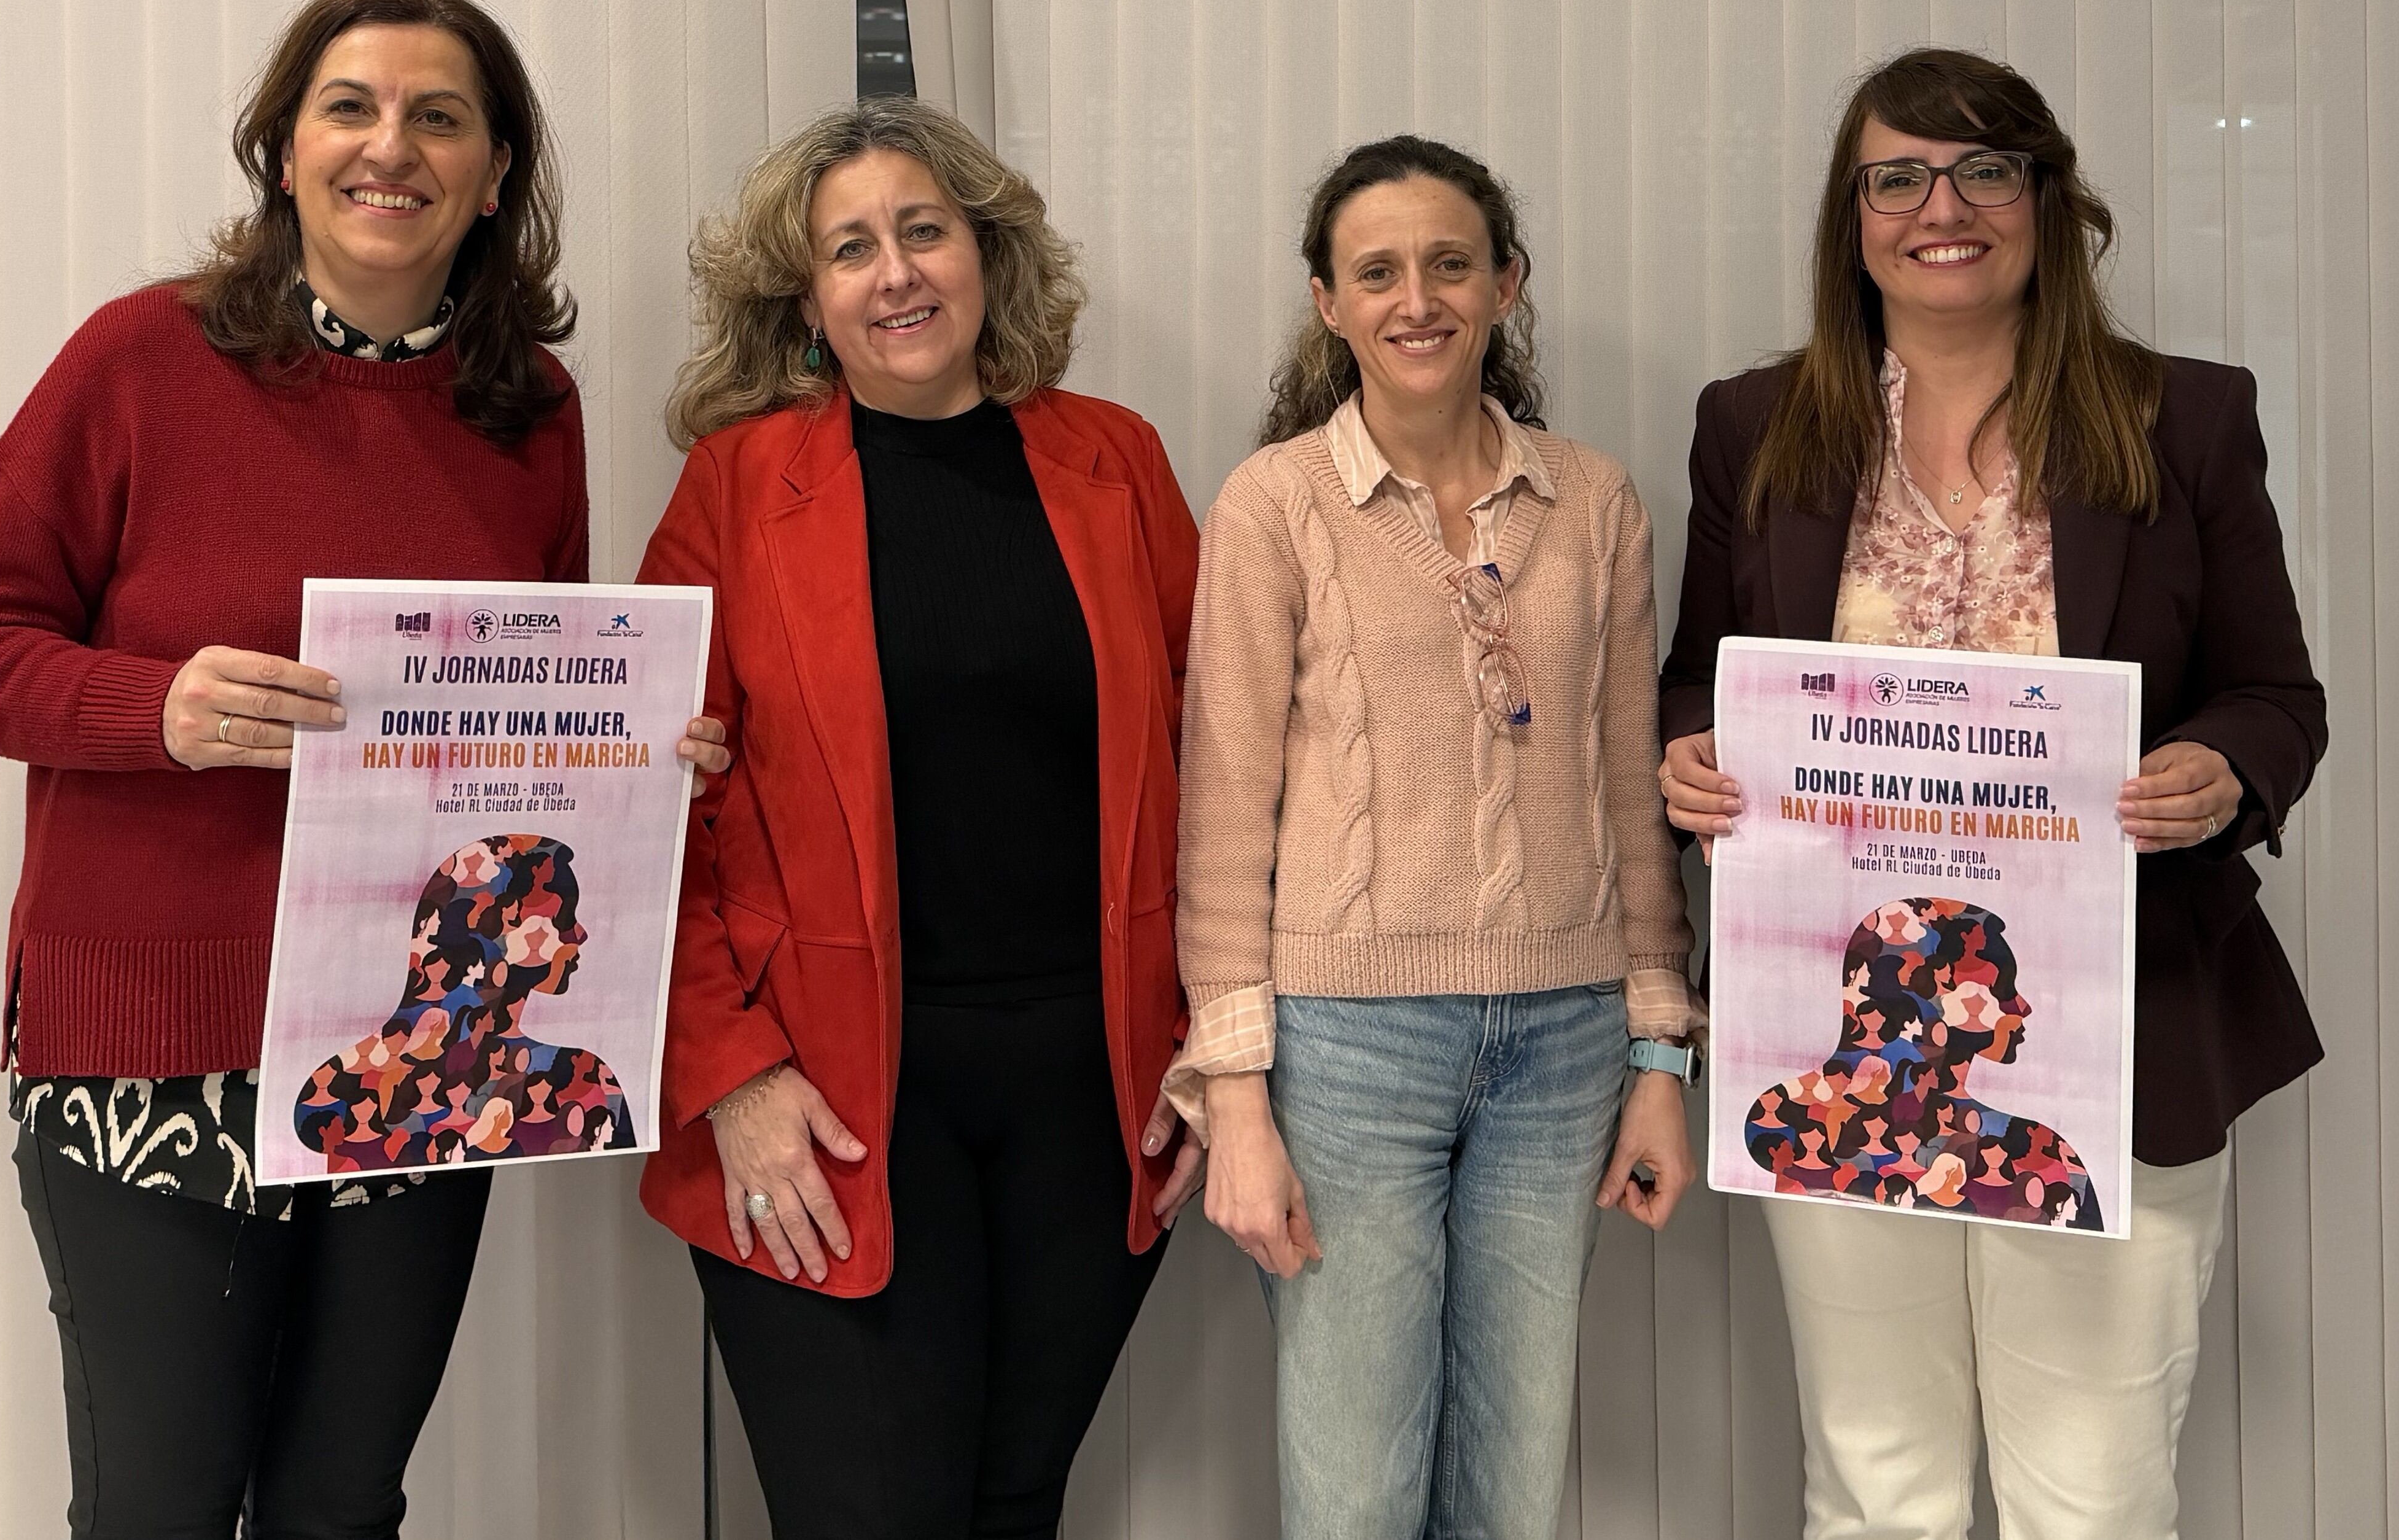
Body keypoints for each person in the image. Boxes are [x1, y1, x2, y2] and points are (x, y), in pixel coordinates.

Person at [0, 0, 716, 1538]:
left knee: (344, 1505)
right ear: (283, 149)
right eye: (349, 106)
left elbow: (515, 722)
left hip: (422, 1058)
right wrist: (156, 712)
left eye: (439, 117)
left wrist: (632, 748)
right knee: (160, 1506)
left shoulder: (528, 408)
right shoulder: (140, 362)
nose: (388, 147)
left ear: (494, 174)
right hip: (154, 1040)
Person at [1658, 46, 2326, 1539]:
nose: (1939, 207)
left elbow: (2278, 697)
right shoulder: (1757, 428)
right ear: (1852, 217)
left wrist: (2222, 771)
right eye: (1897, 175)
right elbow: (1696, 674)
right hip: (1840, 1044)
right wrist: (1693, 752)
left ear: (2044, 197)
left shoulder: (2183, 420)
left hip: (2113, 1031)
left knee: (2088, 1499)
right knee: (1874, 1482)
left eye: (1983, 170)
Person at [636, 96, 1205, 1540]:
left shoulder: (1117, 462)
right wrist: (728, 1074)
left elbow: (1225, 761)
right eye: (849, 248)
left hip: (1094, 1086)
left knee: (1013, 1500)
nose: (894, 272)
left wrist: (1223, 1043)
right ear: (806, 300)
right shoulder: (737, 489)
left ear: (985, 254)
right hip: (818, 1092)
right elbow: (647, 809)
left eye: (923, 230)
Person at [1168, 134, 1700, 1538]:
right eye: (1379, 271)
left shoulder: (1595, 503)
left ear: (1507, 284)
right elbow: (1222, 818)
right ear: (1329, 302)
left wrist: (1658, 1050)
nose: (1419, 298)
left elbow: (1630, 792)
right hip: (1347, 1046)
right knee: (1354, 1486)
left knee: (1512, 1486)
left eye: (1452, 264)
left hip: (1570, 1041)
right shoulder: (1274, 506)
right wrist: (1233, 1092)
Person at [1746, 895, 2102, 1231]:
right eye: (2003, 988)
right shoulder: (2044, 1154)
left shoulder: (1792, 1122)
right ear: (1941, 991)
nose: (2022, 1007)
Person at [294, 834, 636, 1170]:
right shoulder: (344, 1087)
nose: (579, 934)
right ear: (502, 929)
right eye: (563, 918)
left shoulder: (585, 1079)